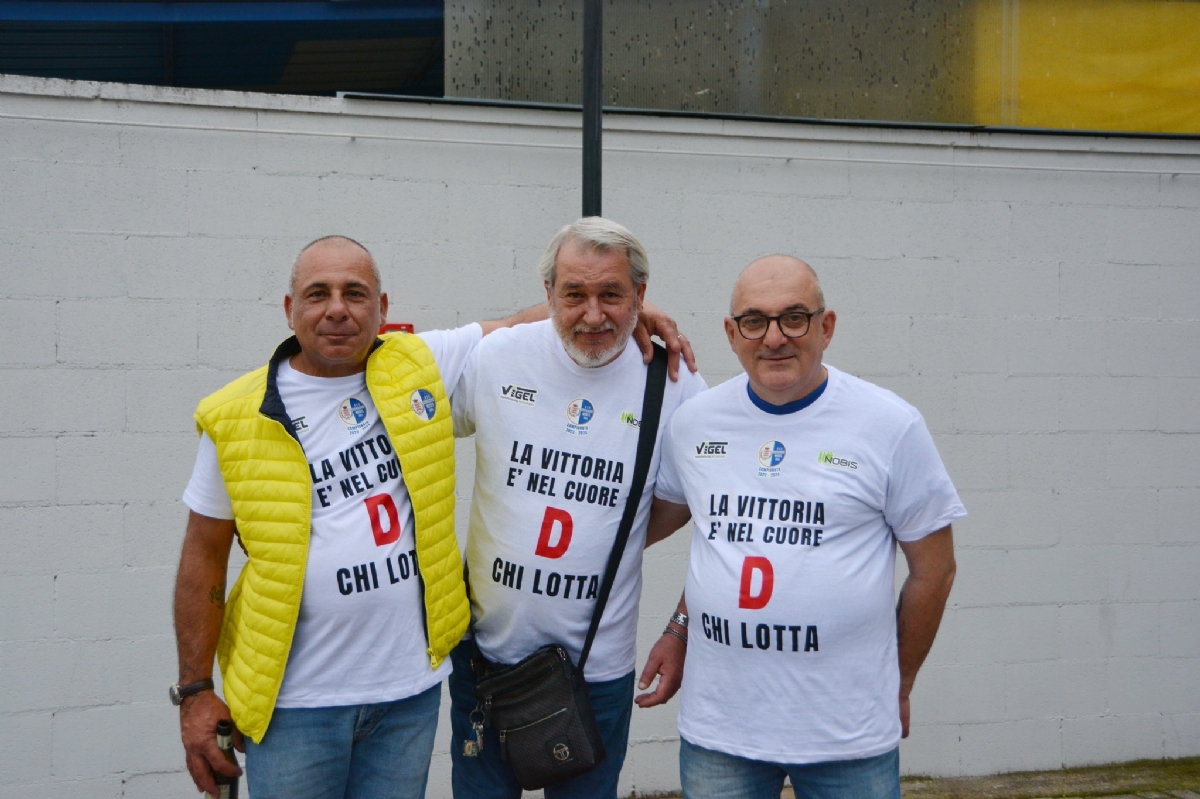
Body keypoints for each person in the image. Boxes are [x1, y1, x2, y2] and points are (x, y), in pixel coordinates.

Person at [172, 234, 689, 799]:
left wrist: (628, 307)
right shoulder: (237, 414)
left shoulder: (415, 368)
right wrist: (196, 690)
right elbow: (202, 556)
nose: (338, 308)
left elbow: (525, 318)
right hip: (296, 702)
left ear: (383, 308)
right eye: (317, 293)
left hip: (408, 694)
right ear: (289, 308)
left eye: (355, 293)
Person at [637, 255, 964, 799]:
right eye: (754, 321)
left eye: (794, 318)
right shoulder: (695, 423)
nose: (774, 338)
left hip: (847, 735)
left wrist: (898, 682)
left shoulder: (890, 424)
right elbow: (720, 545)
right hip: (722, 731)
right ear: (731, 333)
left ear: (826, 326)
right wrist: (678, 628)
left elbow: (935, 571)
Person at [448, 217, 707, 799]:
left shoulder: (675, 384)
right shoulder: (497, 357)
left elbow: (688, 510)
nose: (593, 315)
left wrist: (601, 537)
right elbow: (396, 379)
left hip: (597, 673)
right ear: (548, 296)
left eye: (612, 294)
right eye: (575, 295)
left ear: (641, 296)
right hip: (484, 662)